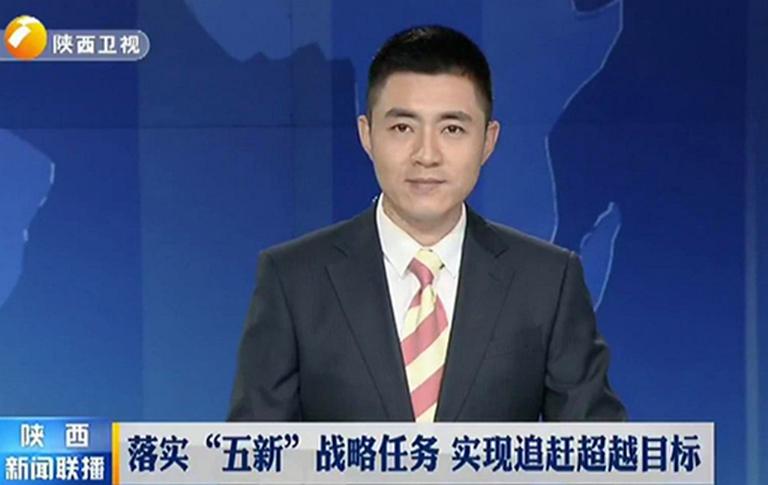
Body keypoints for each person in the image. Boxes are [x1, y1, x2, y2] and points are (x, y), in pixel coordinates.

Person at [228, 25, 626, 422]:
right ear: (367, 134)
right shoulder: (293, 279)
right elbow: (254, 451)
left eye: (452, 129)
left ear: (488, 141)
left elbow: (597, 449)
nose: (427, 155)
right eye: (403, 128)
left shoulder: (548, 282)